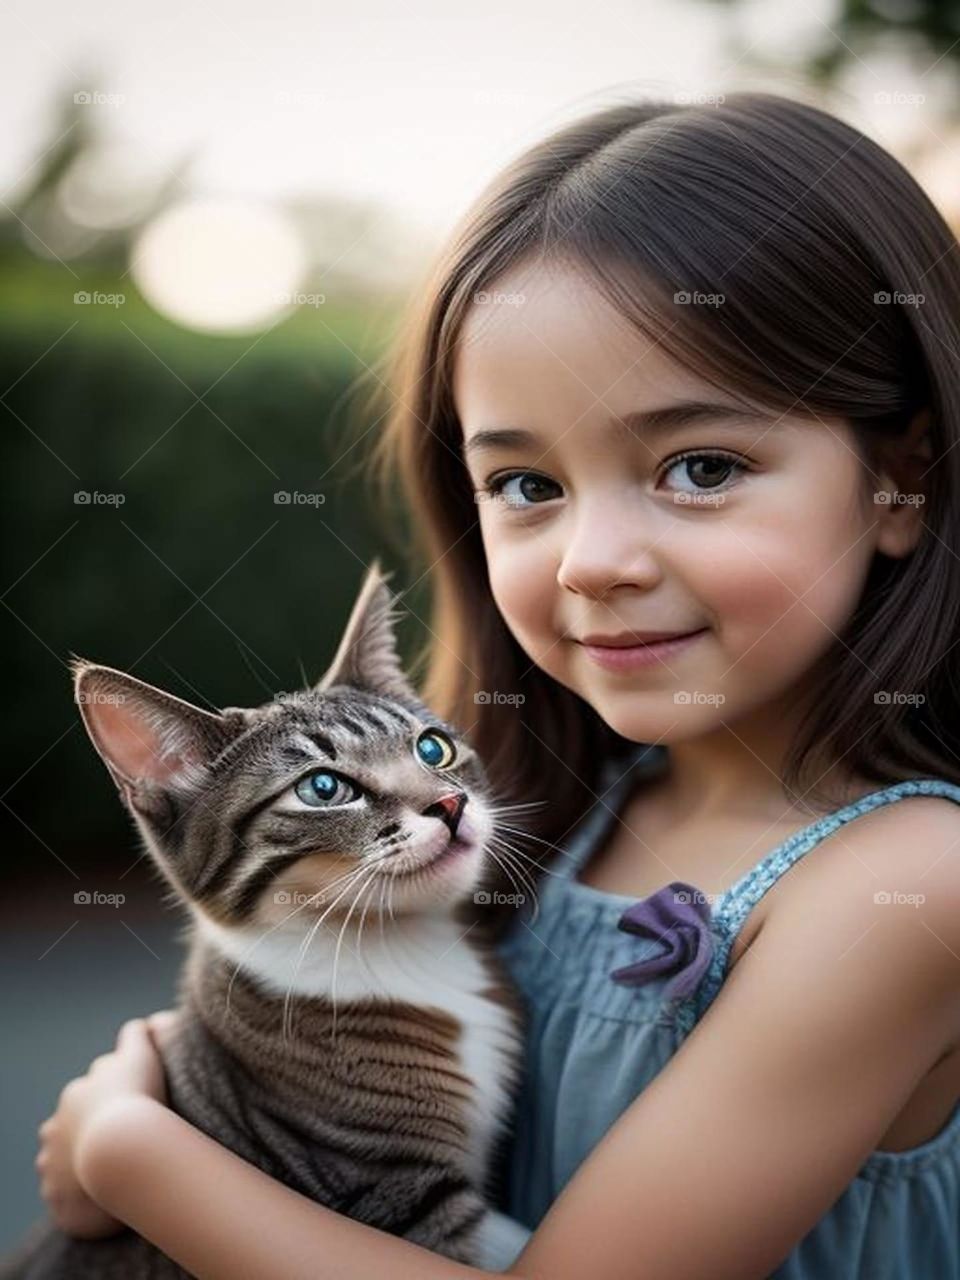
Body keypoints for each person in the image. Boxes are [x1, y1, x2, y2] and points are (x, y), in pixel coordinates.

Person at [34, 90, 960, 1279]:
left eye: (701, 464)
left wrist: (133, 1154)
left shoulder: (902, 887)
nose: (592, 561)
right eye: (526, 485)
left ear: (901, 483)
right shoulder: (576, 798)